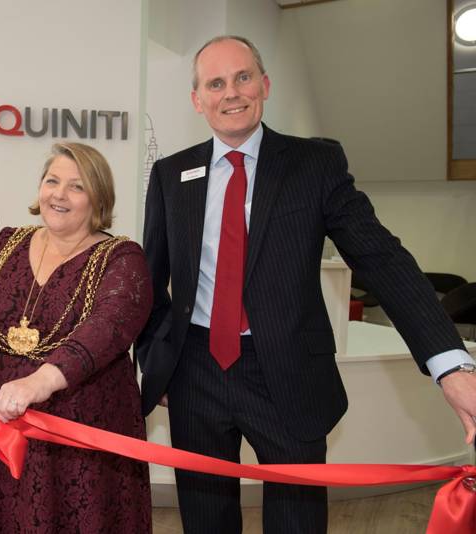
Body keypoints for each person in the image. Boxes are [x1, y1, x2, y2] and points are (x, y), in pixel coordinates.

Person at [135, 35, 476, 534]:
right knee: (206, 519)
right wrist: (157, 361)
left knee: (297, 522)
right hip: (196, 372)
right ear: (198, 100)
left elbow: (382, 259)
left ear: (265, 84)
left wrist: (450, 364)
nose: (231, 93)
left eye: (243, 77)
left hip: (288, 372)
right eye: (216, 83)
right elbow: (149, 281)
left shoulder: (313, 165)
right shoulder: (171, 174)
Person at [0, 142, 153, 533]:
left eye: (77, 186)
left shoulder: (123, 258)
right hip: (6, 429)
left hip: (82, 438)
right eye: (52, 180)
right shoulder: (7, 243)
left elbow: (108, 328)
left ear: (98, 197)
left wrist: (41, 381)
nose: (59, 193)